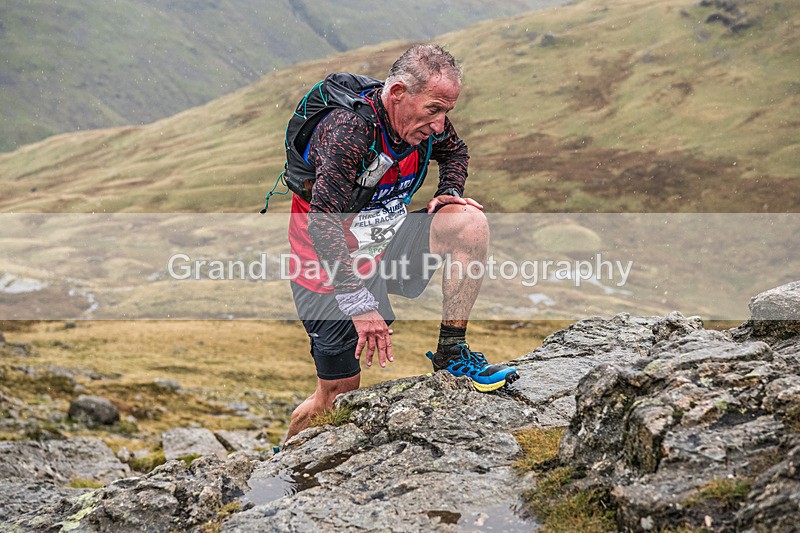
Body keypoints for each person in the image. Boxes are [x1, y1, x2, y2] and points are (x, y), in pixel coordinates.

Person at [285, 44, 519, 441]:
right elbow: (323, 227)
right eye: (434, 110)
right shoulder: (350, 132)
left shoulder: (424, 123)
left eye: (447, 112)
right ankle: (283, 464)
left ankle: (452, 354)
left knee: (469, 223)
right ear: (397, 94)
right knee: (337, 395)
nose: (441, 125)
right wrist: (360, 305)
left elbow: (455, 151)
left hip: (384, 247)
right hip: (326, 266)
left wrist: (449, 190)